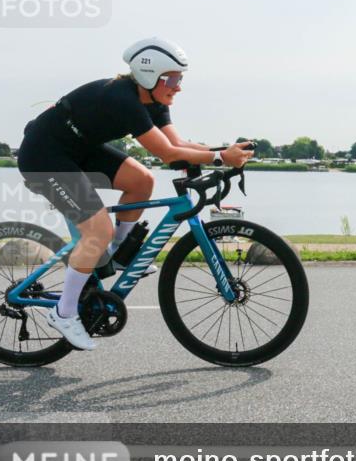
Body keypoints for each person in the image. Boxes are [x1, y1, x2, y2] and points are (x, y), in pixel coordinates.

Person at [17, 38, 253, 351]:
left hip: (77, 150)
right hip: (44, 156)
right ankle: (65, 312)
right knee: (97, 230)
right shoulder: (122, 99)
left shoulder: (154, 102)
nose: (178, 86)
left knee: (142, 180)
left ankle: (117, 256)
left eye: (180, 79)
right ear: (148, 75)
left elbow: (179, 145)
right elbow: (168, 154)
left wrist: (224, 152)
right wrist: (221, 158)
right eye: (172, 79)